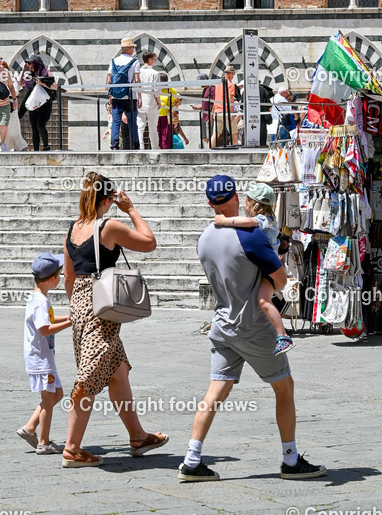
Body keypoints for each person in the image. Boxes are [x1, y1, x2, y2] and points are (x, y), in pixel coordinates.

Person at [177, 175, 325, 483]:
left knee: (215, 391)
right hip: (254, 326)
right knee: (284, 387)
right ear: (237, 198)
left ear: (208, 203)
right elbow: (281, 281)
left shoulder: (204, 238)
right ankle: (291, 460)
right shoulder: (252, 236)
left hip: (221, 325)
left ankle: (191, 459)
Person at [62, 172, 168, 467]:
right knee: (88, 378)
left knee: (117, 370)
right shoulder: (108, 226)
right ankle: (72, 448)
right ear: (108, 199)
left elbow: (68, 277)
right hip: (101, 308)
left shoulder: (73, 229)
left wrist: (77, 308)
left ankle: (137, 436)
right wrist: (131, 209)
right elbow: (149, 242)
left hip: (80, 304)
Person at [213, 183, 294, 355]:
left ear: (252, 203)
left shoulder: (264, 220)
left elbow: (248, 222)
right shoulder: (271, 219)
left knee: (264, 301)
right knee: (259, 302)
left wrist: (224, 221)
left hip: (268, 271)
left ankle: (283, 335)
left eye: (247, 200)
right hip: (265, 269)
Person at [17, 252, 72, 455]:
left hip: (42, 357)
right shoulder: (41, 301)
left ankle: (29, 427)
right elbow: (44, 328)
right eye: (59, 273)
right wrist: (71, 323)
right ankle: (43, 442)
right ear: (53, 279)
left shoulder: (37, 297)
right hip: (41, 360)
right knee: (49, 400)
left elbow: (48, 319)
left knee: (57, 394)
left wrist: (66, 316)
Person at [106, 38, 142, 150]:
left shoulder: (113, 61)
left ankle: (114, 146)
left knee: (116, 122)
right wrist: (140, 96)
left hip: (116, 96)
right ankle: (135, 145)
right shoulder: (134, 62)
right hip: (130, 96)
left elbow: (109, 81)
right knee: (132, 123)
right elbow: (137, 80)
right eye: (132, 47)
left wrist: (110, 96)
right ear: (130, 48)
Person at [19, 55, 57, 151]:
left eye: (30, 63)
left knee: (40, 125)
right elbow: (20, 83)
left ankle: (46, 146)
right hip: (33, 105)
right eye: (27, 63)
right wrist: (23, 70)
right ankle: (36, 151)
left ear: (36, 63)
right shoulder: (30, 75)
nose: (28, 65)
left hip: (44, 105)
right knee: (34, 129)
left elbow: (55, 87)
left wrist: (42, 83)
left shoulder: (46, 73)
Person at [137, 51, 159, 150]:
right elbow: (156, 90)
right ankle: (154, 148)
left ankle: (141, 148)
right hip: (151, 103)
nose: (155, 61)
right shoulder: (155, 73)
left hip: (139, 103)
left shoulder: (137, 73)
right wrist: (159, 102)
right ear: (150, 60)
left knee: (140, 128)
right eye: (154, 59)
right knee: (153, 128)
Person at [210, 66, 237, 148]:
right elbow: (230, 100)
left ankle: (208, 150)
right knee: (234, 134)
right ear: (231, 74)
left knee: (216, 134)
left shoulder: (218, 85)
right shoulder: (230, 85)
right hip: (226, 112)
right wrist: (231, 114)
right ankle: (234, 153)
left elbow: (215, 100)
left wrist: (212, 113)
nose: (233, 76)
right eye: (233, 74)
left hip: (217, 112)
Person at [157, 72, 180, 150]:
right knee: (158, 135)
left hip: (167, 116)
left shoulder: (170, 90)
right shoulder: (156, 89)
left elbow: (178, 101)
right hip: (156, 115)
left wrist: (174, 108)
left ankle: (167, 152)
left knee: (166, 136)